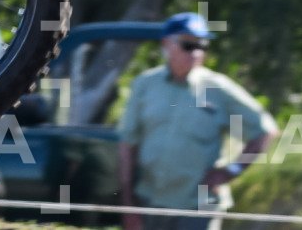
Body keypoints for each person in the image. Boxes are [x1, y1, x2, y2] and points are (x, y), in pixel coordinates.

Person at [118, 12, 278, 230]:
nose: (196, 52)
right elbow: (128, 143)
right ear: (166, 44)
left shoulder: (218, 88)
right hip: (149, 203)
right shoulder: (145, 84)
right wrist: (128, 204)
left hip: (198, 208)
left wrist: (231, 171)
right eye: (188, 45)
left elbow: (265, 131)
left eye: (202, 45)